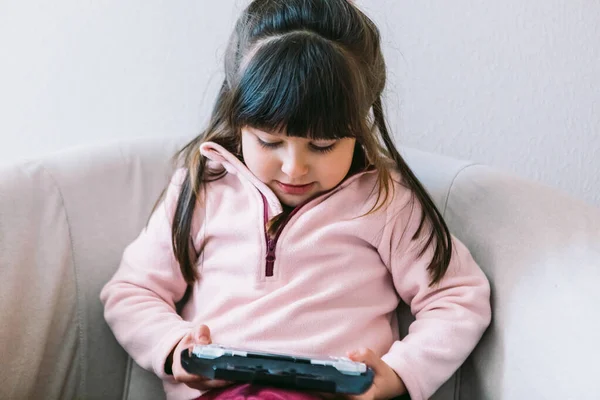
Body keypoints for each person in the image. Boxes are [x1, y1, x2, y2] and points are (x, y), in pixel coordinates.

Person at [100, 1, 491, 399]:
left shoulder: (385, 201)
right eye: (270, 141)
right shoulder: (202, 188)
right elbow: (132, 291)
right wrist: (174, 348)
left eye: (322, 146)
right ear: (237, 117)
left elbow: (457, 298)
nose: (293, 168)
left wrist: (399, 371)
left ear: (359, 125)